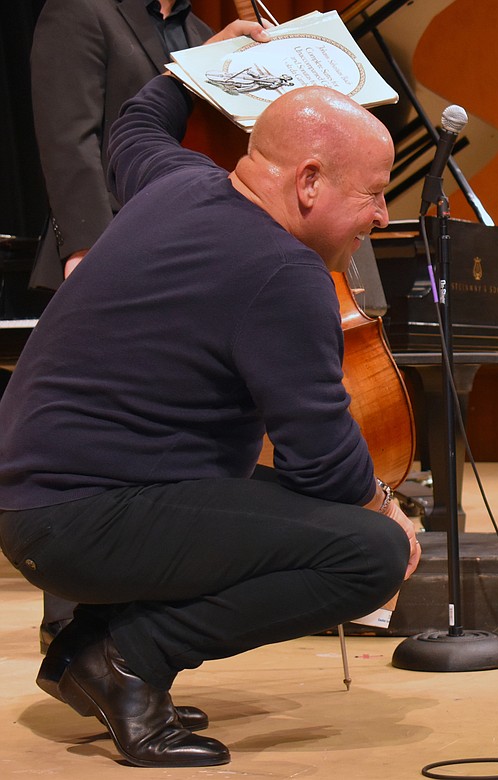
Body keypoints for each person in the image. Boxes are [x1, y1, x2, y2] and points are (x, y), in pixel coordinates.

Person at [0, 32, 421, 768]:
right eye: (375, 192)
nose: (383, 215)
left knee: (301, 514)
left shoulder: (177, 181)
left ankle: (83, 651)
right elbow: (322, 462)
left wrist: (198, 64)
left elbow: (132, 128)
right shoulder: (281, 272)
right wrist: (387, 509)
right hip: (81, 518)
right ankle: (125, 661)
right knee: (371, 554)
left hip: (45, 504)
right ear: (310, 182)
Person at [27, 0, 218, 653]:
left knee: (158, 449)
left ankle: (130, 638)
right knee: (92, 449)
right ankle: (70, 630)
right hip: (106, 255)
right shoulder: (82, 9)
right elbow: (67, 134)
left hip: (182, 262)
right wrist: (90, 249)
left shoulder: (199, 33)